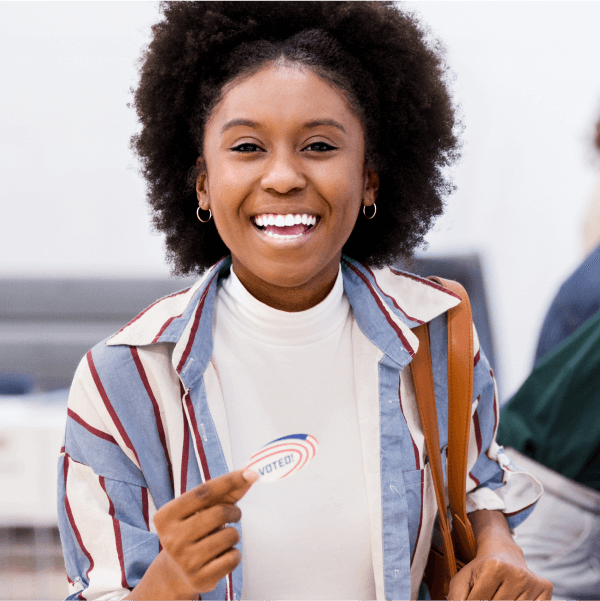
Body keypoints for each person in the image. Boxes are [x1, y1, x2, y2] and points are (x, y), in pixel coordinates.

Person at [57, 2, 550, 599]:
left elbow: (472, 484)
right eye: (246, 148)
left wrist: (499, 545)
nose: (284, 176)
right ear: (203, 183)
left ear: (369, 176)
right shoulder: (123, 379)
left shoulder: (437, 333)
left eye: (319, 145)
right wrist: (169, 583)